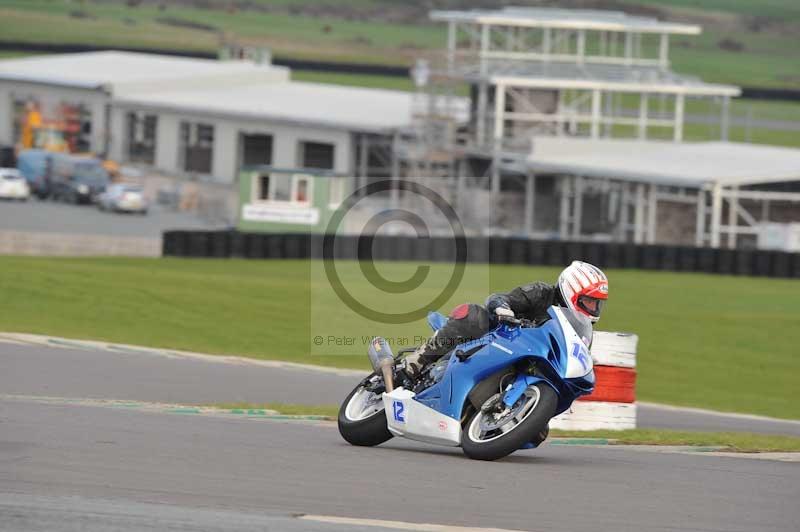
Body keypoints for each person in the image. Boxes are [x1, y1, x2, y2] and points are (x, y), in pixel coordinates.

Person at [403, 260, 609, 377]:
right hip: (499, 340)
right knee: (473, 315)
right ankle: (419, 360)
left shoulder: (579, 329)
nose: (593, 308)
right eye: (589, 301)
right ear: (571, 290)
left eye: (597, 303)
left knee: (538, 434)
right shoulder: (540, 293)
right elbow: (498, 298)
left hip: (528, 361)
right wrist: (504, 310)